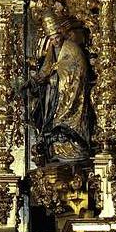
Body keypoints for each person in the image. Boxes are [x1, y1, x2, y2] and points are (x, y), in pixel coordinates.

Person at [23, 13, 92, 163]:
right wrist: (35, 80)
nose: (55, 41)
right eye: (52, 39)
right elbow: (46, 69)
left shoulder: (72, 49)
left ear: (62, 35)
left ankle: (71, 143)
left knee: (63, 124)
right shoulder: (51, 51)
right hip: (53, 94)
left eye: (57, 38)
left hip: (68, 94)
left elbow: (77, 70)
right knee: (49, 119)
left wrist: (56, 73)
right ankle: (54, 146)